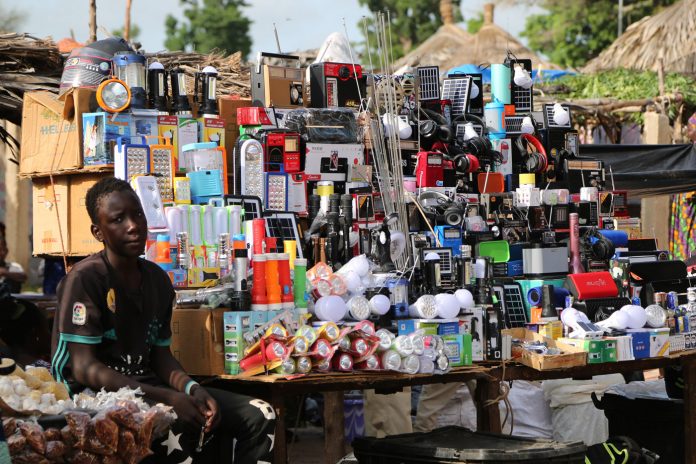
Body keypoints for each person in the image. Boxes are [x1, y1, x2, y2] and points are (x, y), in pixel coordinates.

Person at [50, 177, 276, 463]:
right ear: (99, 232)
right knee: (177, 427)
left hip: (147, 388)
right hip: (92, 396)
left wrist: (193, 389)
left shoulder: (157, 280)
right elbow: (84, 370)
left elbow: (160, 356)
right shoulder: (85, 279)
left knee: (259, 414)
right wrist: (168, 398)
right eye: (118, 219)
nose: (133, 226)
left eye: (138, 214)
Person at [0, 225, 27, 294]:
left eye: (4, 250)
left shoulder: (14, 267)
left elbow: (23, 277)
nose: (2, 253)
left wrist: (4, 273)